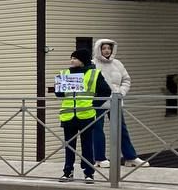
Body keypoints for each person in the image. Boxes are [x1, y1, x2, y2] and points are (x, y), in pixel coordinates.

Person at [91, 38, 149, 169]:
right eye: (104, 48)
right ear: (98, 49)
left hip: (115, 100)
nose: (107, 51)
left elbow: (126, 80)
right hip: (98, 102)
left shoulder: (118, 64)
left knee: (121, 130)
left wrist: (120, 93)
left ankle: (130, 157)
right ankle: (99, 158)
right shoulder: (92, 64)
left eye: (109, 48)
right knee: (97, 129)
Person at [56, 48, 111, 182]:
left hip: (86, 114)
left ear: (82, 60)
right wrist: (61, 87)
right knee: (69, 146)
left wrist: (93, 103)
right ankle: (68, 171)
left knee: (87, 146)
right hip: (68, 115)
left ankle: (88, 173)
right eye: (71, 58)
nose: (71, 60)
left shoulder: (93, 73)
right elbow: (59, 93)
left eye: (75, 58)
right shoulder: (65, 73)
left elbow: (105, 91)